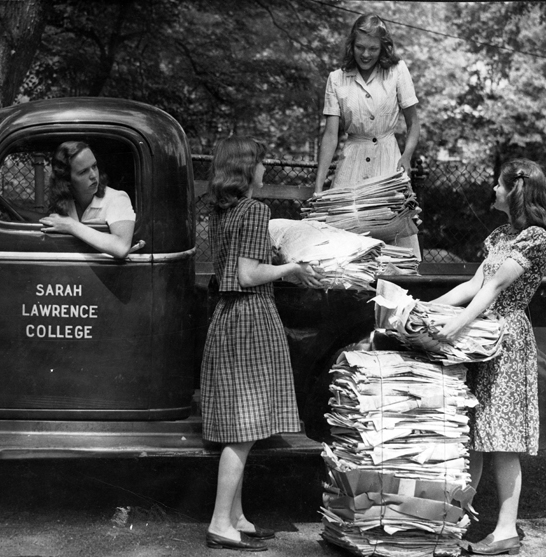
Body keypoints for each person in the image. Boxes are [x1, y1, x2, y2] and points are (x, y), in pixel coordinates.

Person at [430, 159, 546, 556]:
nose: (493, 192)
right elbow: (473, 285)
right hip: (482, 335)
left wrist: (453, 326)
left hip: (506, 337)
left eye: (498, 187)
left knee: (501, 438)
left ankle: (505, 531)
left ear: (514, 189)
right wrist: (422, 308)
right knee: (472, 431)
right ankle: (452, 518)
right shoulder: (500, 235)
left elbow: (494, 290)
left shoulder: (535, 238)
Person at [201, 136, 321, 552]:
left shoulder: (221, 212)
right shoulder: (254, 211)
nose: (265, 169)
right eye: (261, 163)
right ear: (247, 168)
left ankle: (237, 516)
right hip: (251, 317)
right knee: (245, 429)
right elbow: (249, 275)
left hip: (226, 319)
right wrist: (292, 267)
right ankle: (221, 522)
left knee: (240, 425)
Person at [313, 13, 420, 252]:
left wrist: (407, 156)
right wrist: (319, 186)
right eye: (360, 47)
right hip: (352, 162)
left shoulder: (397, 71)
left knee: (395, 239)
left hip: (388, 162)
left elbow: (414, 123)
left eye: (373, 48)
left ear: (383, 47)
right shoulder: (337, 79)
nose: (365, 54)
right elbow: (330, 135)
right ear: (351, 45)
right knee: (345, 240)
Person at [39, 141, 142, 259]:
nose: (93, 175)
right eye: (83, 172)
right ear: (67, 179)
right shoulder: (65, 202)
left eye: (94, 166)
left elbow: (121, 247)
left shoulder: (116, 198)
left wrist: (71, 226)